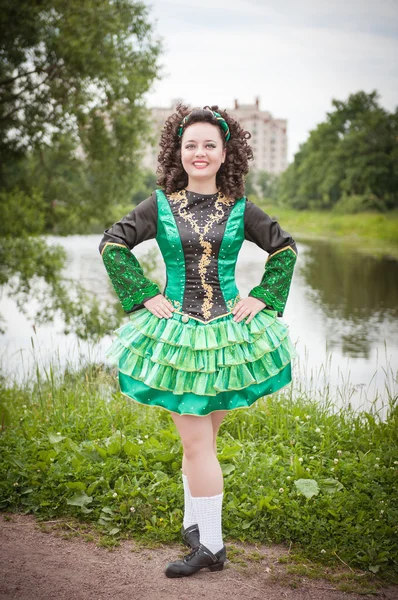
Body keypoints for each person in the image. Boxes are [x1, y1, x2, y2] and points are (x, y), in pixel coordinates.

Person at [99, 104, 298, 578]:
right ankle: (197, 526)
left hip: (230, 337)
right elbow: (112, 243)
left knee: (199, 443)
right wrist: (145, 296)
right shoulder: (160, 206)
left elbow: (285, 248)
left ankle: (210, 545)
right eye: (191, 145)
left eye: (209, 144)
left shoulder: (242, 210)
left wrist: (263, 297)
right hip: (178, 335)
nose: (200, 152)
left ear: (225, 152)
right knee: (199, 441)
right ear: (178, 151)